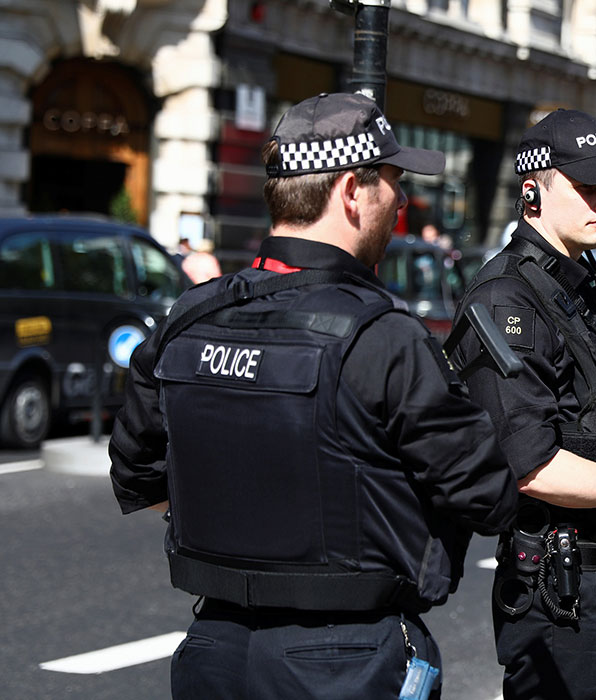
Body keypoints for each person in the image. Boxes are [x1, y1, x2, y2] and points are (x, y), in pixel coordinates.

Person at [109, 92, 519, 699]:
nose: (402, 201)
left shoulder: (189, 317)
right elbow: (488, 498)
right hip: (347, 658)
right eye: (392, 183)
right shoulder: (383, 337)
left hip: (214, 649)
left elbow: (136, 476)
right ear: (353, 190)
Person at [449, 109, 596, 700]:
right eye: (586, 187)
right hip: (556, 589)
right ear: (533, 190)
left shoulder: (580, 283)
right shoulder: (508, 297)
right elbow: (529, 463)